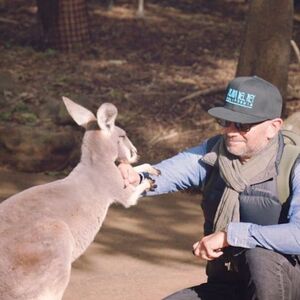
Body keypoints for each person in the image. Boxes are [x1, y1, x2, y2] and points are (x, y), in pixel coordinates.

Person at [118, 76, 300, 300]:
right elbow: (164, 174)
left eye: (242, 124)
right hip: (230, 282)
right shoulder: (214, 153)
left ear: (273, 127)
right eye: (226, 121)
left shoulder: (295, 164)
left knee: (260, 255)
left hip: (287, 286)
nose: (231, 131)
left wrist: (230, 235)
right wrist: (134, 177)